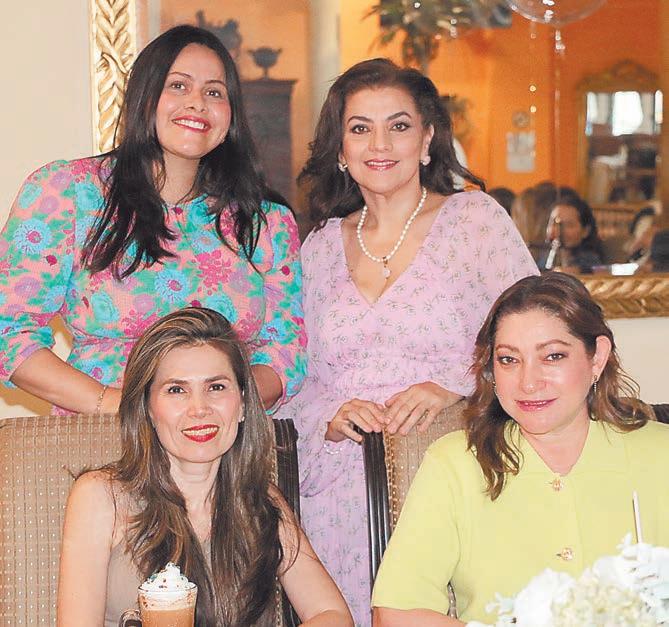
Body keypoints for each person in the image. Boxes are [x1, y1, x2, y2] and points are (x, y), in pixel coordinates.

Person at [274, 58, 537, 625]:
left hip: (457, 471)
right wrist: (332, 417)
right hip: (341, 494)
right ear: (340, 150)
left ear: (427, 139)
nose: (379, 144)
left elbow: (538, 336)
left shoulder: (475, 221)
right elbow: (298, 377)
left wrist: (456, 386)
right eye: (360, 128)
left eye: (398, 125)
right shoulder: (318, 247)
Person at [0, 25, 305, 415]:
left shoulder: (266, 222)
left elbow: (286, 352)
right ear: (144, 98)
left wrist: (213, 410)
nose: (197, 103)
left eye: (215, 92)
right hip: (103, 433)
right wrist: (121, 407)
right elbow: (10, 331)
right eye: (178, 85)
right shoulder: (68, 192)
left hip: (224, 438)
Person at [372, 273, 669, 625]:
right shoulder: (455, 464)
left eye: (553, 356)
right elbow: (396, 613)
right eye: (509, 360)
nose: (528, 383)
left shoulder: (660, 452)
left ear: (597, 357)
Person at [57, 307, 352, 627]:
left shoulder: (262, 500)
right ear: (149, 409)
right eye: (176, 390)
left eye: (216, 387)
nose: (199, 408)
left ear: (243, 403)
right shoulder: (101, 496)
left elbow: (332, 615)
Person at [540, 194, 605, 273]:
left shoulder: (590, 261)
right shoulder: (543, 256)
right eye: (554, 223)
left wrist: (579, 271)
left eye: (569, 225)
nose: (558, 230)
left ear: (585, 231)